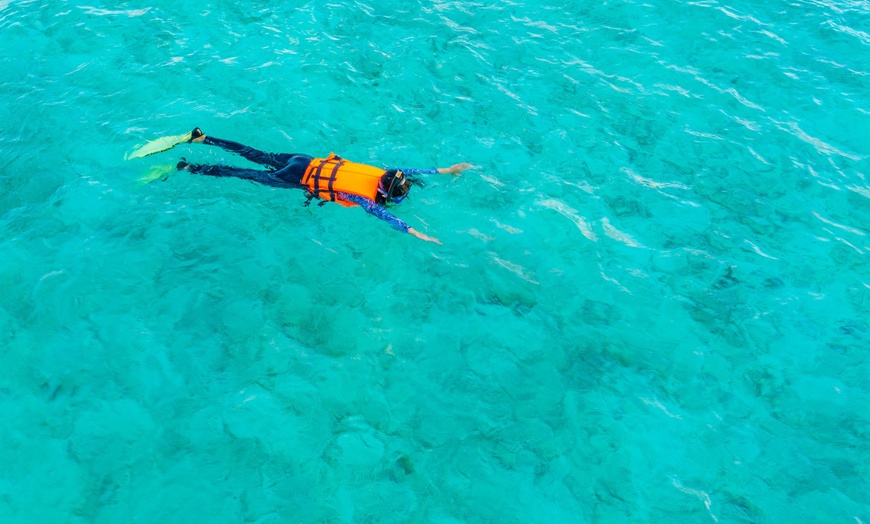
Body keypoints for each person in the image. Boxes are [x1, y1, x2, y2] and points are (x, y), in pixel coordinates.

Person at [175, 128, 471, 244]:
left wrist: (445, 170)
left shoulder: (382, 172)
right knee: (244, 174)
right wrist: (415, 231)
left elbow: (408, 170)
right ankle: (191, 168)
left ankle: (204, 138)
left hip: (305, 160)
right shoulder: (365, 198)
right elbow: (385, 216)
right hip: (298, 179)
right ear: (385, 193)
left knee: (253, 152)